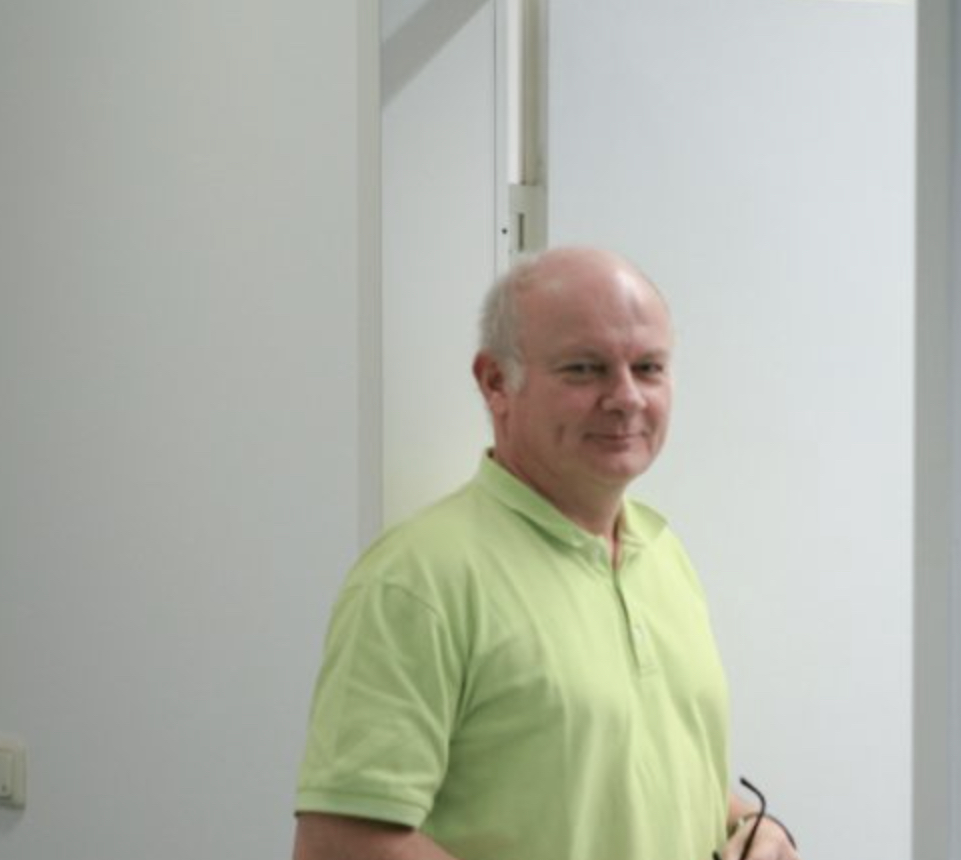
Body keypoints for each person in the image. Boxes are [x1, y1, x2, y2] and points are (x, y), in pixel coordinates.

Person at [292, 246, 799, 860]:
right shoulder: (417, 581)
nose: (626, 397)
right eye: (584, 369)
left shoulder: (662, 554)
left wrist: (751, 826)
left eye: (648, 367)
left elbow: (629, 779)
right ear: (495, 382)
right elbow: (341, 844)